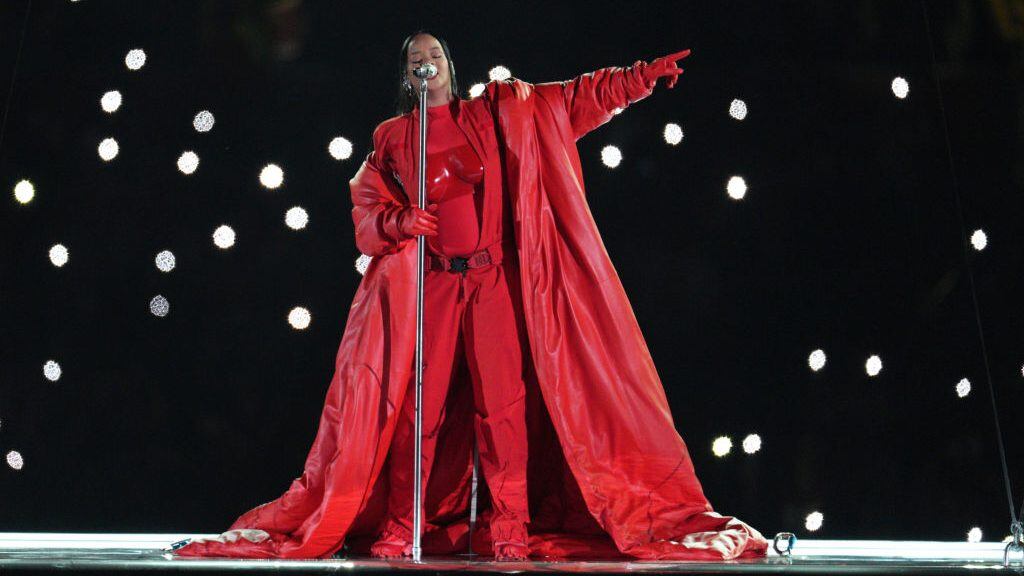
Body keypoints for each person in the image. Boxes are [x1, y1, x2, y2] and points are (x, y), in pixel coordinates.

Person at [173, 29, 768, 562]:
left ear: (450, 66)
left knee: (503, 406)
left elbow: (570, 101)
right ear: (407, 74)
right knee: (420, 408)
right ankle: (403, 523)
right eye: (416, 56)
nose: (426, 60)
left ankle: (510, 525)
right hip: (433, 283)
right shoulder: (393, 137)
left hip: (492, 280)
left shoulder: (496, 114)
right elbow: (367, 211)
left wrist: (636, 79)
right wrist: (400, 221)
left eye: (434, 52)